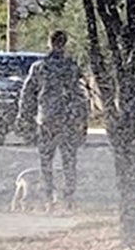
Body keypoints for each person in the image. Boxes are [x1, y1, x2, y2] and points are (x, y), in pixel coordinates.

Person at [22, 30, 90, 210]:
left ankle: (48, 198)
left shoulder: (40, 67)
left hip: (47, 119)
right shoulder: (72, 67)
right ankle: (68, 198)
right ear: (64, 44)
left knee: (46, 160)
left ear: (49, 43)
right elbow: (81, 94)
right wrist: (83, 121)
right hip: (69, 118)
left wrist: (25, 118)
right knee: (69, 160)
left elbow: (28, 94)